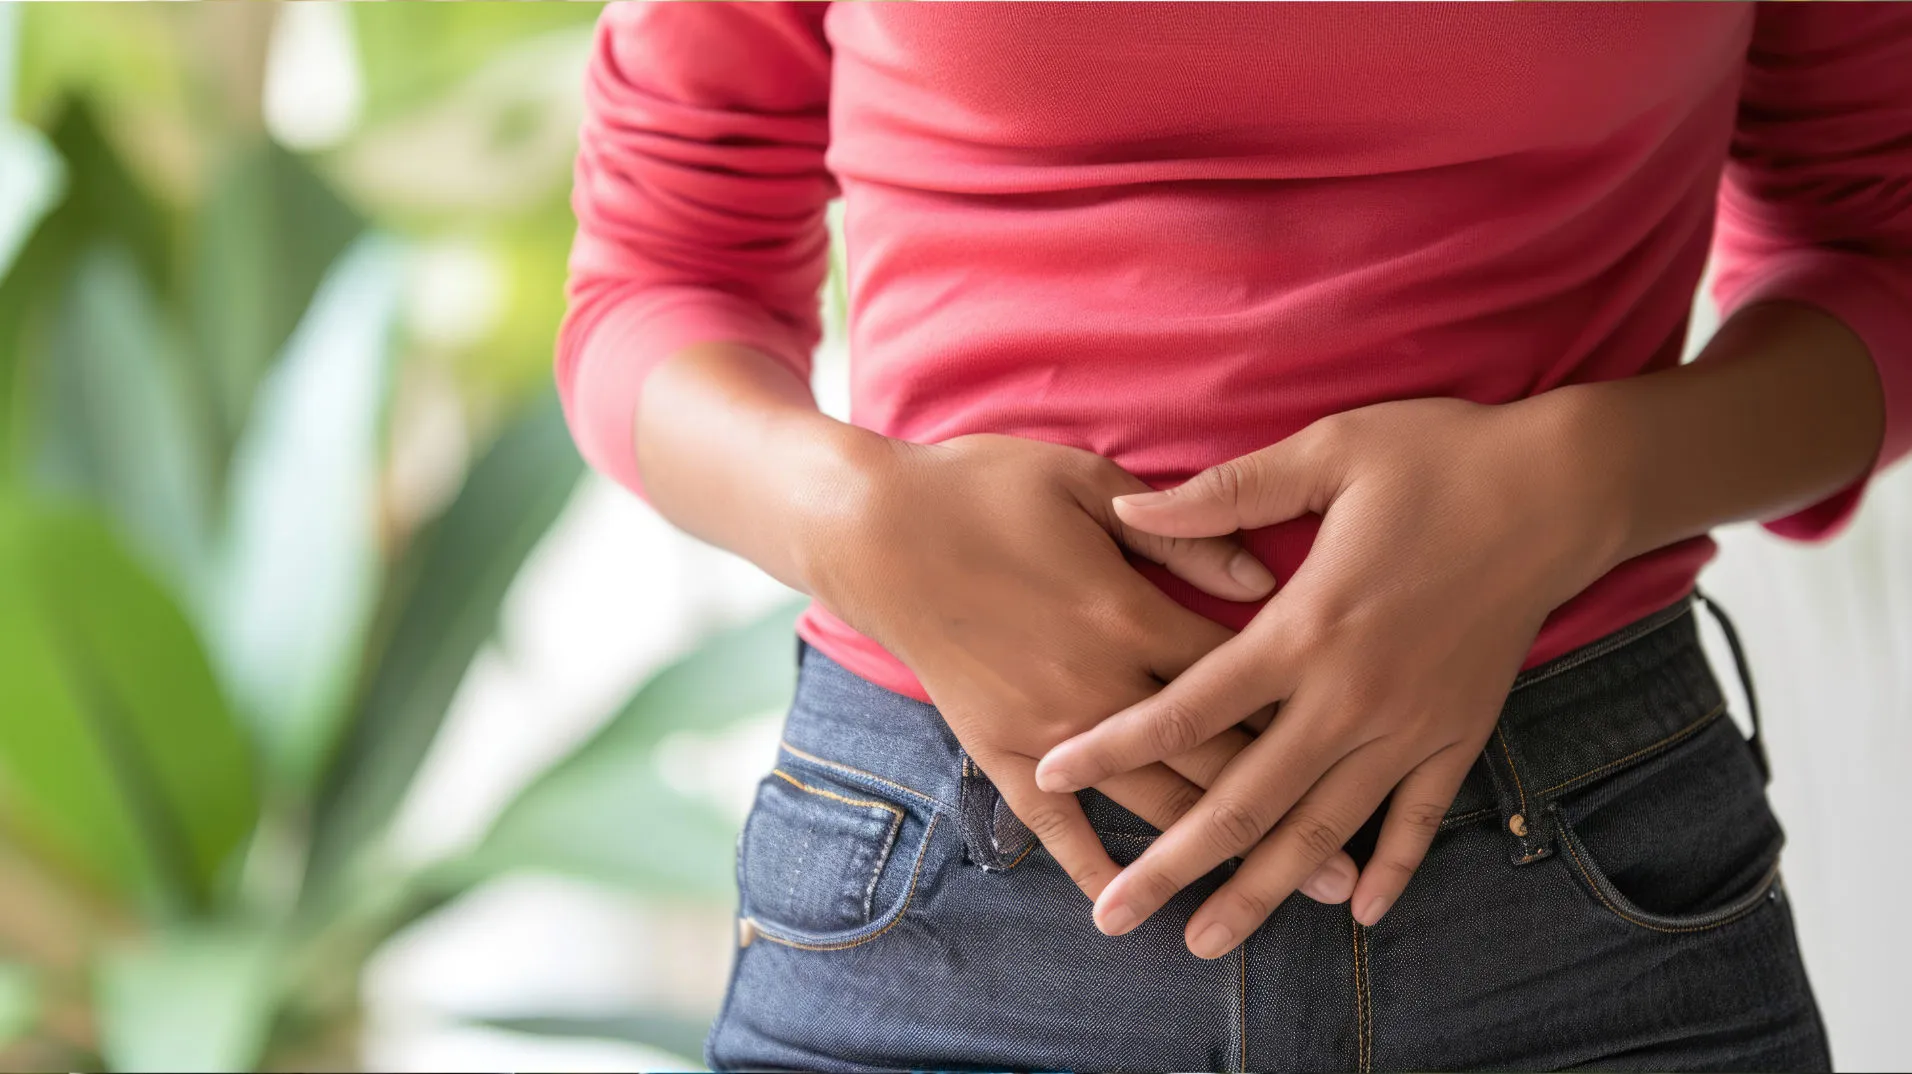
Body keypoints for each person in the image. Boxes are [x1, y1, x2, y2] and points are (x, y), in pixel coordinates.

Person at [556, 4, 1910, 1070]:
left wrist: (1578, 481)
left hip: (1577, 897)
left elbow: (1880, 250)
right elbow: (663, 272)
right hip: (952, 880)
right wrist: (850, 516)